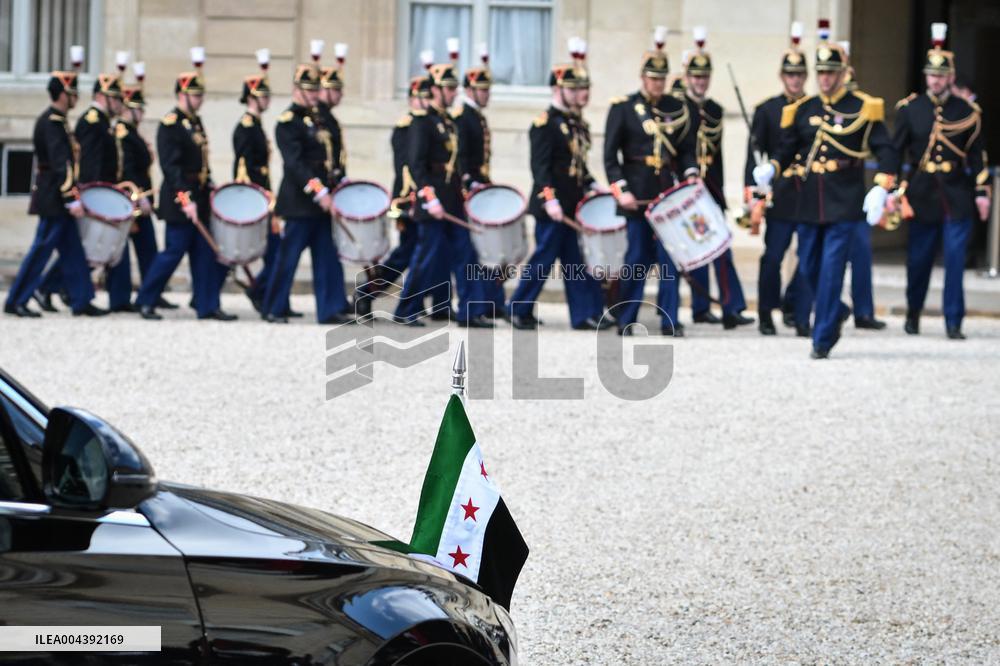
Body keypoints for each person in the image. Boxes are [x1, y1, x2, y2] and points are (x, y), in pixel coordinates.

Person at [753, 19, 895, 359]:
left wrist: (881, 186)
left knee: (831, 268)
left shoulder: (862, 107)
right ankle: (837, 311)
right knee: (809, 267)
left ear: (844, 72)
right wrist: (770, 168)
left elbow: (886, 149)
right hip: (808, 201)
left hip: (843, 200)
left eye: (832, 72)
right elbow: (788, 147)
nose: (826, 78)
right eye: (822, 73)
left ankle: (822, 337)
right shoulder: (805, 109)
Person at [892, 23, 991, 339]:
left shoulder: (967, 112)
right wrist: (891, 188)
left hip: (956, 196)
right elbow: (896, 151)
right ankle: (913, 312)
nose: (934, 81)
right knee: (918, 260)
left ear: (950, 77)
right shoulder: (911, 109)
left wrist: (981, 191)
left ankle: (953, 321)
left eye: (940, 76)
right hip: (921, 194)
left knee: (954, 261)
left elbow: (977, 156)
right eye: (930, 75)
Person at [506, 48, 611, 331]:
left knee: (576, 262)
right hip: (552, 208)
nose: (582, 94)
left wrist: (593, 185)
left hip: (573, 205)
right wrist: (549, 199)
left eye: (584, 88)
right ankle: (517, 309)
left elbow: (577, 165)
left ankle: (584, 314)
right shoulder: (544, 124)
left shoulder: (577, 124)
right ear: (557, 89)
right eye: (574, 89)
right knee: (542, 260)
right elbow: (540, 168)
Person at [604, 27, 698, 336]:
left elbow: (685, 151)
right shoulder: (624, 108)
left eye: (661, 79)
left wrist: (691, 174)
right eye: (652, 79)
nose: (657, 85)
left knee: (669, 261)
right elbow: (610, 157)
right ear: (643, 78)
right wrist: (622, 191)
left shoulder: (676, 109)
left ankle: (669, 319)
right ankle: (626, 317)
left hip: (666, 196)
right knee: (636, 260)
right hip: (636, 195)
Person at [393, 47, 492, 328]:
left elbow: (456, 163)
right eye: (448, 88)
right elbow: (415, 164)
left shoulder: (448, 122)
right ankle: (405, 308)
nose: (452, 93)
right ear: (434, 90)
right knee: (427, 256)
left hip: (452, 197)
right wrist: (427, 195)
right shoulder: (422, 122)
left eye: (453, 88)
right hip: (432, 197)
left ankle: (471, 310)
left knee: (465, 253)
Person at [134, 48, 235, 321]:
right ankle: (145, 300)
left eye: (201, 95)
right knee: (173, 253)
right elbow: (171, 167)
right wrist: (185, 199)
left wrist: (210, 185)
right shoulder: (171, 125)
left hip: (199, 196)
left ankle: (206, 305)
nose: (200, 100)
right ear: (182, 95)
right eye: (196, 95)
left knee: (204, 254)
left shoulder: (195, 122)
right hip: (180, 200)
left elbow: (201, 162)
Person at [4, 49, 105, 318]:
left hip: (57, 197)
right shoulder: (51, 123)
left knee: (72, 251)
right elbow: (62, 165)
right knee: (41, 250)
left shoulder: (59, 122)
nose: (75, 99)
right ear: (62, 94)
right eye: (72, 93)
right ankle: (16, 300)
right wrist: (71, 197)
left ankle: (81, 299)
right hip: (53, 197)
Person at [262, 60, 352, 324]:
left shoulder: (318, 119)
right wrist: (320, 192)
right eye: (309, 90)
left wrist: (336, 188)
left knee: (327, 257)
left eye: (316, 90)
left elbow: (330, 159)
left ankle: (330, 308)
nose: (315, 95)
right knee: (287, 258)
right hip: (299, 202)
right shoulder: (287, 122)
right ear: (297, 90)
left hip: (321, 203)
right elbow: (295, 164)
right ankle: (273, 307)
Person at [35, 60, 127, 315]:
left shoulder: (103, 121)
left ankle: (68, 292)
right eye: (115, 98)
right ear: (102, 97)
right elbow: (89, 161)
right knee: (81, 247)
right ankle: (52, 288)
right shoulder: (92, 120)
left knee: (79, 248)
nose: (120, 104)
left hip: (101, 191)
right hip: (92, 192)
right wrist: (90, 194)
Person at [682, 27, 754, 330]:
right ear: (687, 77)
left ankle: (731, 306)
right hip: (684, 190)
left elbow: (718, 156)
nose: (700, 82)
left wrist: (722, 194)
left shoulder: (714, 110)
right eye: (695, 77)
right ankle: (700, 307)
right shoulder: (676, 106)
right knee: (696, 247)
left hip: (709, 188)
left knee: (720, 246)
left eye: (704, 77)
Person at [745, 22, 812, 336]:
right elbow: (754, 155)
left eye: (799, 75)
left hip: (810, 194)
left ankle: (797, 310)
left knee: (807, 258)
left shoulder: (815, 109)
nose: (795, 80)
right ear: (782, 76)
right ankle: (765, 312)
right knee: (772, 257)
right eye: (790, 74)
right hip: (779, 194)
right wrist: (753, 193)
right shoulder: (767, 110)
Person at [354, 72, 435, 317]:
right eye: (424, 97)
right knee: (406, 254)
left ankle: (416, 301)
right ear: (413, 99)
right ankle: (366, 292)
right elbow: (408, 166)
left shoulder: (424, 123)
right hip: (408, 199)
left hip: (419, 198)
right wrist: (413, 197)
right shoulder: (408, 126)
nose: (428, 102)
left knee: (418, 253)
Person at [106, 62, 168, 312]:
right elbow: (128, 169)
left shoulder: (132, 132)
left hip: (139, 198)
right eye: (138, 109)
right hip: (131, 199)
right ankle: (120, 297)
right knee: (122, 251)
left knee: (148, 249)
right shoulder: (123, 132)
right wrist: (137, 197)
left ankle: (151, 291)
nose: (142, 114)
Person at [452, 44, 507, 318]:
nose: (487, 94)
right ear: (470, 90)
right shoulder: (463, 118)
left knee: (488, 250)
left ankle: (491, 303)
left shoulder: (476, 117)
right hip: (468, 192)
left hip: (480, 187)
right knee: (475, 252)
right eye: (483, 90)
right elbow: (460, 157)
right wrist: (470, 182)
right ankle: (479, 305)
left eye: (488, 89)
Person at [838, 41, 887, 331]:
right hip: (828, 197)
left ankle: (864, 311)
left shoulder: (862, 113)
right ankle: (820, 305)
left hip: (854, 194)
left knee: (861, 255)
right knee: (818, 259)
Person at [234, 48, 278, 315]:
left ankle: (263, 292)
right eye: (263, 96)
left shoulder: (256, 124)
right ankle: (260, 291)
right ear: (252, 97)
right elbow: (243, 166)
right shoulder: (246, 127)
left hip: (263, 194)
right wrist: (255, 198)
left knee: (274, 251)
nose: (267, 100)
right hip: (256, 197)